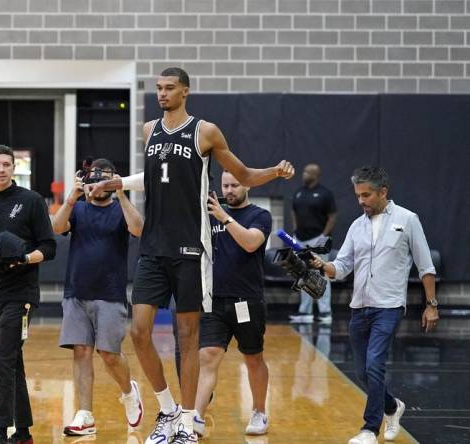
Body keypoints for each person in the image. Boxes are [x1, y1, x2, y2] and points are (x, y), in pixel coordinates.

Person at [85, 67, 294, 444]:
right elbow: (154, 175)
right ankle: (166, 409)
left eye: (169, 89)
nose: (162, 94)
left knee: (188, 336)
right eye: (158, 89)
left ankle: (186, 418)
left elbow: (243, 175)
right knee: (139, 331)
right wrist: (117, 182)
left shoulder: (205, 131)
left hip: (191, 247)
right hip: (153, 245)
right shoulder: (149, 130)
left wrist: (275, 173)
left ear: (185, 92)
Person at [308, 166, 438, 444]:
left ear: (383, 192)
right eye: (357, 195)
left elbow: (425, 266)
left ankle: (369, 429)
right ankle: (392, 407)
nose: (361, 201)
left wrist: (432, 304)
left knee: (375, 364)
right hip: (359, 307)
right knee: (362, 373)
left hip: (389, 307)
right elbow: (342, 267)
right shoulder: (357, 226)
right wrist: (323, 265)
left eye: (366, 195)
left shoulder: (407, 219)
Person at [0, 145, 57, 444]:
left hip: (23, 294)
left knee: (3, 359)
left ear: (14, 167)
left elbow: (49, 247)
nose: (2, 169)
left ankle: (2, 430)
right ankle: (24, 432)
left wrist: (24, 259)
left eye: (7, 164)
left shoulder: (30, 201)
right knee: (12, 359)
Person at [51, 159, 145, 436]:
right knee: (81, 352)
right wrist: (71, 197)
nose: (99, 184)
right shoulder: (78, 208)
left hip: (110, 293)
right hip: (76, 292)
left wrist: (121, 192)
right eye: (96, 179)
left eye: (106, 179)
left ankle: (129, 393)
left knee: (109, 355)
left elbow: (138, 228)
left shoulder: (120, 208)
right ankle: (85, 414)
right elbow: (56, 228)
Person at [186, 171, 273, 437]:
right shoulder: (210, 214)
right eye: (225, 185)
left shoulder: (260, 216)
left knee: (253, 357)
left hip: (247, 300)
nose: (229, 190)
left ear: (246, 185)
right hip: (214, 299)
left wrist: (225, 218)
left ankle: (259, 411)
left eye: (235, 185)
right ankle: (196, 418)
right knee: (208, 356)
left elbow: (250, 243)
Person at [289, 163, 337, 324]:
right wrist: (295, 231)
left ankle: (325, 313)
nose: (303, 174)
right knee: (303, 274)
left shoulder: (325, 194)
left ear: (315, 175)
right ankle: (305, 312)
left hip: (318, 240)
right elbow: (293, 211)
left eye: (306, 172)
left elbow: (332, 216)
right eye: (304, 171)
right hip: (301, 240)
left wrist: (323, 235)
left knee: (321, 275)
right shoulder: (299, 193)